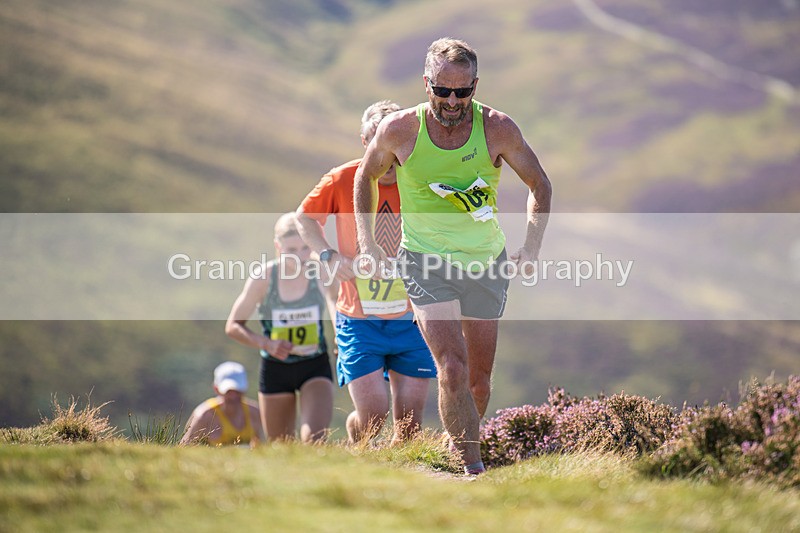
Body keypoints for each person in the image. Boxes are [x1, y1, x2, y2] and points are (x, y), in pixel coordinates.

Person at [353, 38, 552, 474]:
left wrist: (532, 246)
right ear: (427, 85)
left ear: (476, 86)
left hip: (486, 262)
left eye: (463, 92)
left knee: (478, 383)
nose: (452, 101)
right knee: (452, 367)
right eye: (443, 90)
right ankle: (473, 469)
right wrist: (368, 245)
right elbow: (364, 177)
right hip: (425, 260)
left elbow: (541, 186)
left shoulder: (498, 129)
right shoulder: (400, 130)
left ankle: (451, 445)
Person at [296, 100, 437, 445]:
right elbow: (304, 218)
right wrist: (329, 255)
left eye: (395, 140)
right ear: (365, 142)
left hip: (413, 317)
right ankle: (361, 449)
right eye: (379, 141)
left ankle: (403, 487)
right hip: (358, 318)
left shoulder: (421, 181)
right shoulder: (342, 178)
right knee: (373, 415)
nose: (387, 152)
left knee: (409, 424)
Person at [225, 212, 336, 443]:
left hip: (314, 365)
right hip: (275, 368)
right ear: (278, 247)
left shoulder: (321, 271)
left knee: (314, 439)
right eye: (291, 250)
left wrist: (340, 337)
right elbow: (233, 325)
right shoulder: (264, 277)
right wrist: (267, 343)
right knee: (281, 446)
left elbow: (335, 304)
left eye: (305, 248)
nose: (300, 257)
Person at [181, 361, 264, 447]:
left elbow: (260, 447)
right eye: (228, 391)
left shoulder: (255, 413)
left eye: (238, 391)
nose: (233, 396)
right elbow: (184, 448)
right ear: (216, 389)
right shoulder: (204, 415)